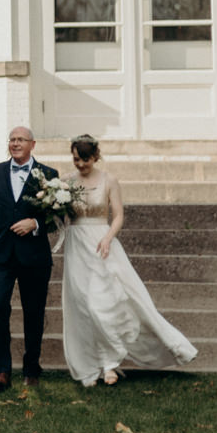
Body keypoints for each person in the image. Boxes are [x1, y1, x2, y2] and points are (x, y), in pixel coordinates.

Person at [58, 135, 199, 386]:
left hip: (102, 243)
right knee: (83, 306)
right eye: (76, 160)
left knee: (105, 303)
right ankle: (94, 363)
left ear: (96, 157)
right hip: (77, 245)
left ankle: (110, 363)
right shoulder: (65, 182)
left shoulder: (109, 180)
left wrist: (108, 238)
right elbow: (58, 213)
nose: (80, 165)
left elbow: (119, 215)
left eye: (85, 160)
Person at [0, 126, 56, 391]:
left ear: (33, 144)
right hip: (0, 253)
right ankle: (1, 370)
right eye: (12, 139)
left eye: (21, 140)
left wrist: (35, 222)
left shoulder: (49, 175)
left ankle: (32, 368)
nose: (15, 143)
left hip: (34, 256)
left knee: (34, 313)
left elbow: (58, 216)